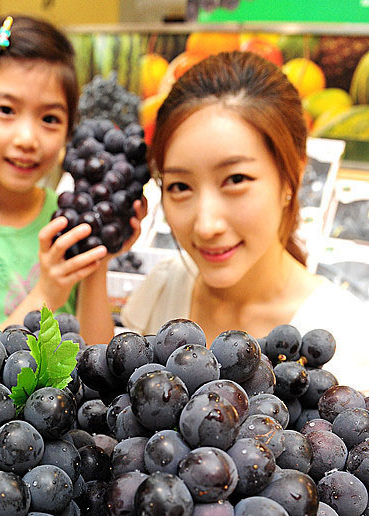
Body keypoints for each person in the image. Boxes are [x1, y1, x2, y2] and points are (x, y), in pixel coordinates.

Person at [120, 50, 369, 392]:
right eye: (180, 186)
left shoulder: (349, 342)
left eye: (236, 180)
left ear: (291, 173)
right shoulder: (162, 289)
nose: (206, 225)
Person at [0, 15, 136, 342]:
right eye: (6, 110)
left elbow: (98, 354)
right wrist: (48, 290)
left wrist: (98, 256)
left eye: (49, 118)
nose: (27, 138)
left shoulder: (68, 220)